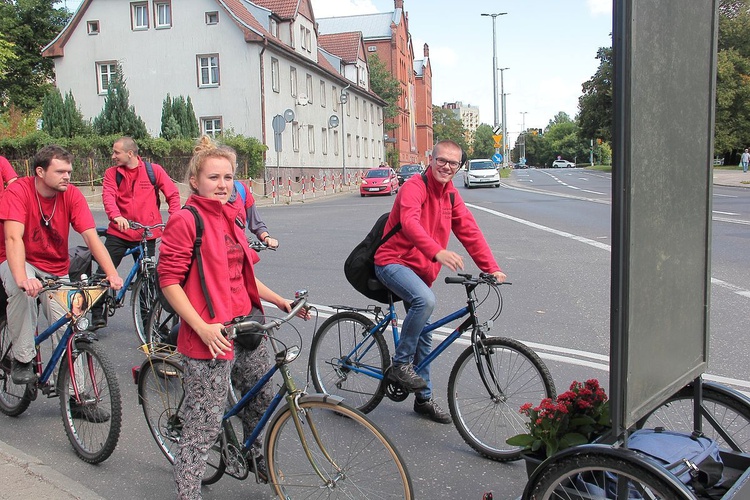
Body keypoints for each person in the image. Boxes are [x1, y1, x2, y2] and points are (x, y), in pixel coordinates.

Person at [158, 136, 307, 499]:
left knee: (261, 399)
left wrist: (280, 301)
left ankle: (255, 456)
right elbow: (169, 281)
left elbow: (242, 274)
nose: (222, 185)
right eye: (214, 177)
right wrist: (202, 327)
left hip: (247, 327)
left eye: (228, 177)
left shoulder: (231, 217)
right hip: (210, 334)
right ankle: (188, 492)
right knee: (202, 427)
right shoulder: (185, 220)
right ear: (195, 180)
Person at [373, 140, 507, 424]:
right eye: (442, 160)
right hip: (392, 261)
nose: (447, 167)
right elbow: (410, 223)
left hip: (420, 271)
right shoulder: (414, 187)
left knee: (425, 335)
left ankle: (423, 400)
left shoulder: (451, 196)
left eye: (453, 163)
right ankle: (400, 364)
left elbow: (469, 230)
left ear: (459, 168)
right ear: (430, 160)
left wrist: (491, 268)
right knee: (426, 301)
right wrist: (437, 251)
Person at [0, 145, 123, 387]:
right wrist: (23, 279)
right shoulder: (18, 191)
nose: (67, 176)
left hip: (55, 265)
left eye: (69, 171)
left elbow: (91, 237)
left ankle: (77, 396)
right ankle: (23, 358)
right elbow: (13, 238)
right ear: (40, 172)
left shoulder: (72, 195)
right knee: (21, 291)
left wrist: (112, 274)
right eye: (60, 171)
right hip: (16, 259)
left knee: (70, 324)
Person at [90, 136, 181, 329]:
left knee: (147, 280)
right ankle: (97, 314)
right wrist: (116, 217)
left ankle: (150, 321)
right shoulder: (111, 173)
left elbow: (172, 194)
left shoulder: (153, 171)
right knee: (102, 273)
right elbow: (108, 197)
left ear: (130, 153)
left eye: (117, 152)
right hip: (119, 232)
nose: (113, 156)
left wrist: (174, 218)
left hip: (146, 234)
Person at [232, 179, 278, 248]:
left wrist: (266, 237)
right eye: (214, 177)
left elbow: (255, 222)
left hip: (238, 250)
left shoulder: (240, 189)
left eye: (228, 177)